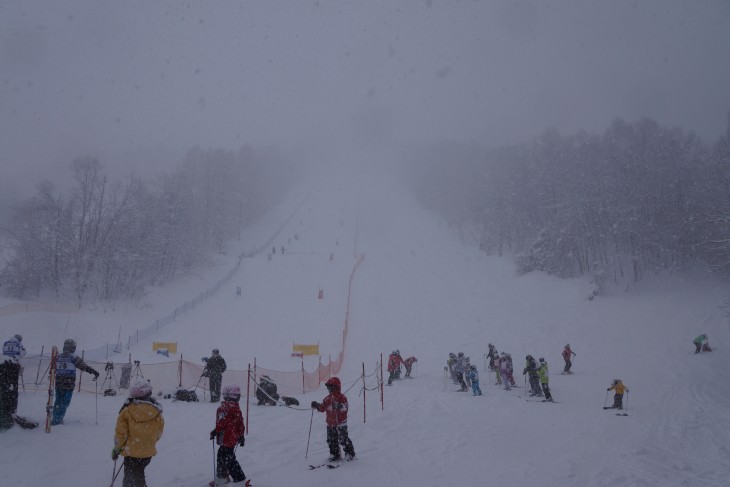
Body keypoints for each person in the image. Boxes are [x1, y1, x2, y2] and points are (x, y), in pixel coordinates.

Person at [112, 378, 164, 487]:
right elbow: (158, 432)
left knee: (130, 478)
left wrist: (117, 448)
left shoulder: (127, 411)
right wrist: (148, 441)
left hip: (131, 452)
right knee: (139, 473)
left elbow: (121, 433)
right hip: (147, 452)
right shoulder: (156, 412)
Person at [51, 339, 99, 426]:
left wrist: (51, 375)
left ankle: (55, 417)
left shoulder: (58, 357)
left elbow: (53, 368)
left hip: (58, 383)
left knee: (58, 401)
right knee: (65, 402)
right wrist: (94, 372)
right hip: (68, 385)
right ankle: (57, 420)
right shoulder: (73, 357)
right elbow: (84, 367)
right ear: (72, 347)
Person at [210, 385, 249, 486]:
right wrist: (241, 436)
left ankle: (238, 478)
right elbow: (240, 423)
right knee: (225, 456)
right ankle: (223, 477)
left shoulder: (223, 408)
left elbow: (222, 422)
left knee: (227, 458)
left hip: (226, 438)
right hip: (231, 438)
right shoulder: (236, 408)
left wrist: (215, 431)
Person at [311, 377, 356, 462]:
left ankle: (350, 453)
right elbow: (322, 408)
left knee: (343, 439)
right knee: (331, 440)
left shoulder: (342, 398)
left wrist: (340, 406)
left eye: (330, 387)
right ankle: (335, 454)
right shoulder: (327, 399)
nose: (329, 389)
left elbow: (345, 408)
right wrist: (316, 405)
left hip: (340, 423)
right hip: (330, 424)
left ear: (336, 387)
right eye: (328, 388)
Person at [1, 335, 26, 431]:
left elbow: (3, 352)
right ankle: (10, 412)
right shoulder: (18, 344)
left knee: (5, 388)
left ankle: (7, 413)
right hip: (14, 365)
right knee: (12, 389)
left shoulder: (6, 343)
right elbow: (23, 352)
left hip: (4, 365)